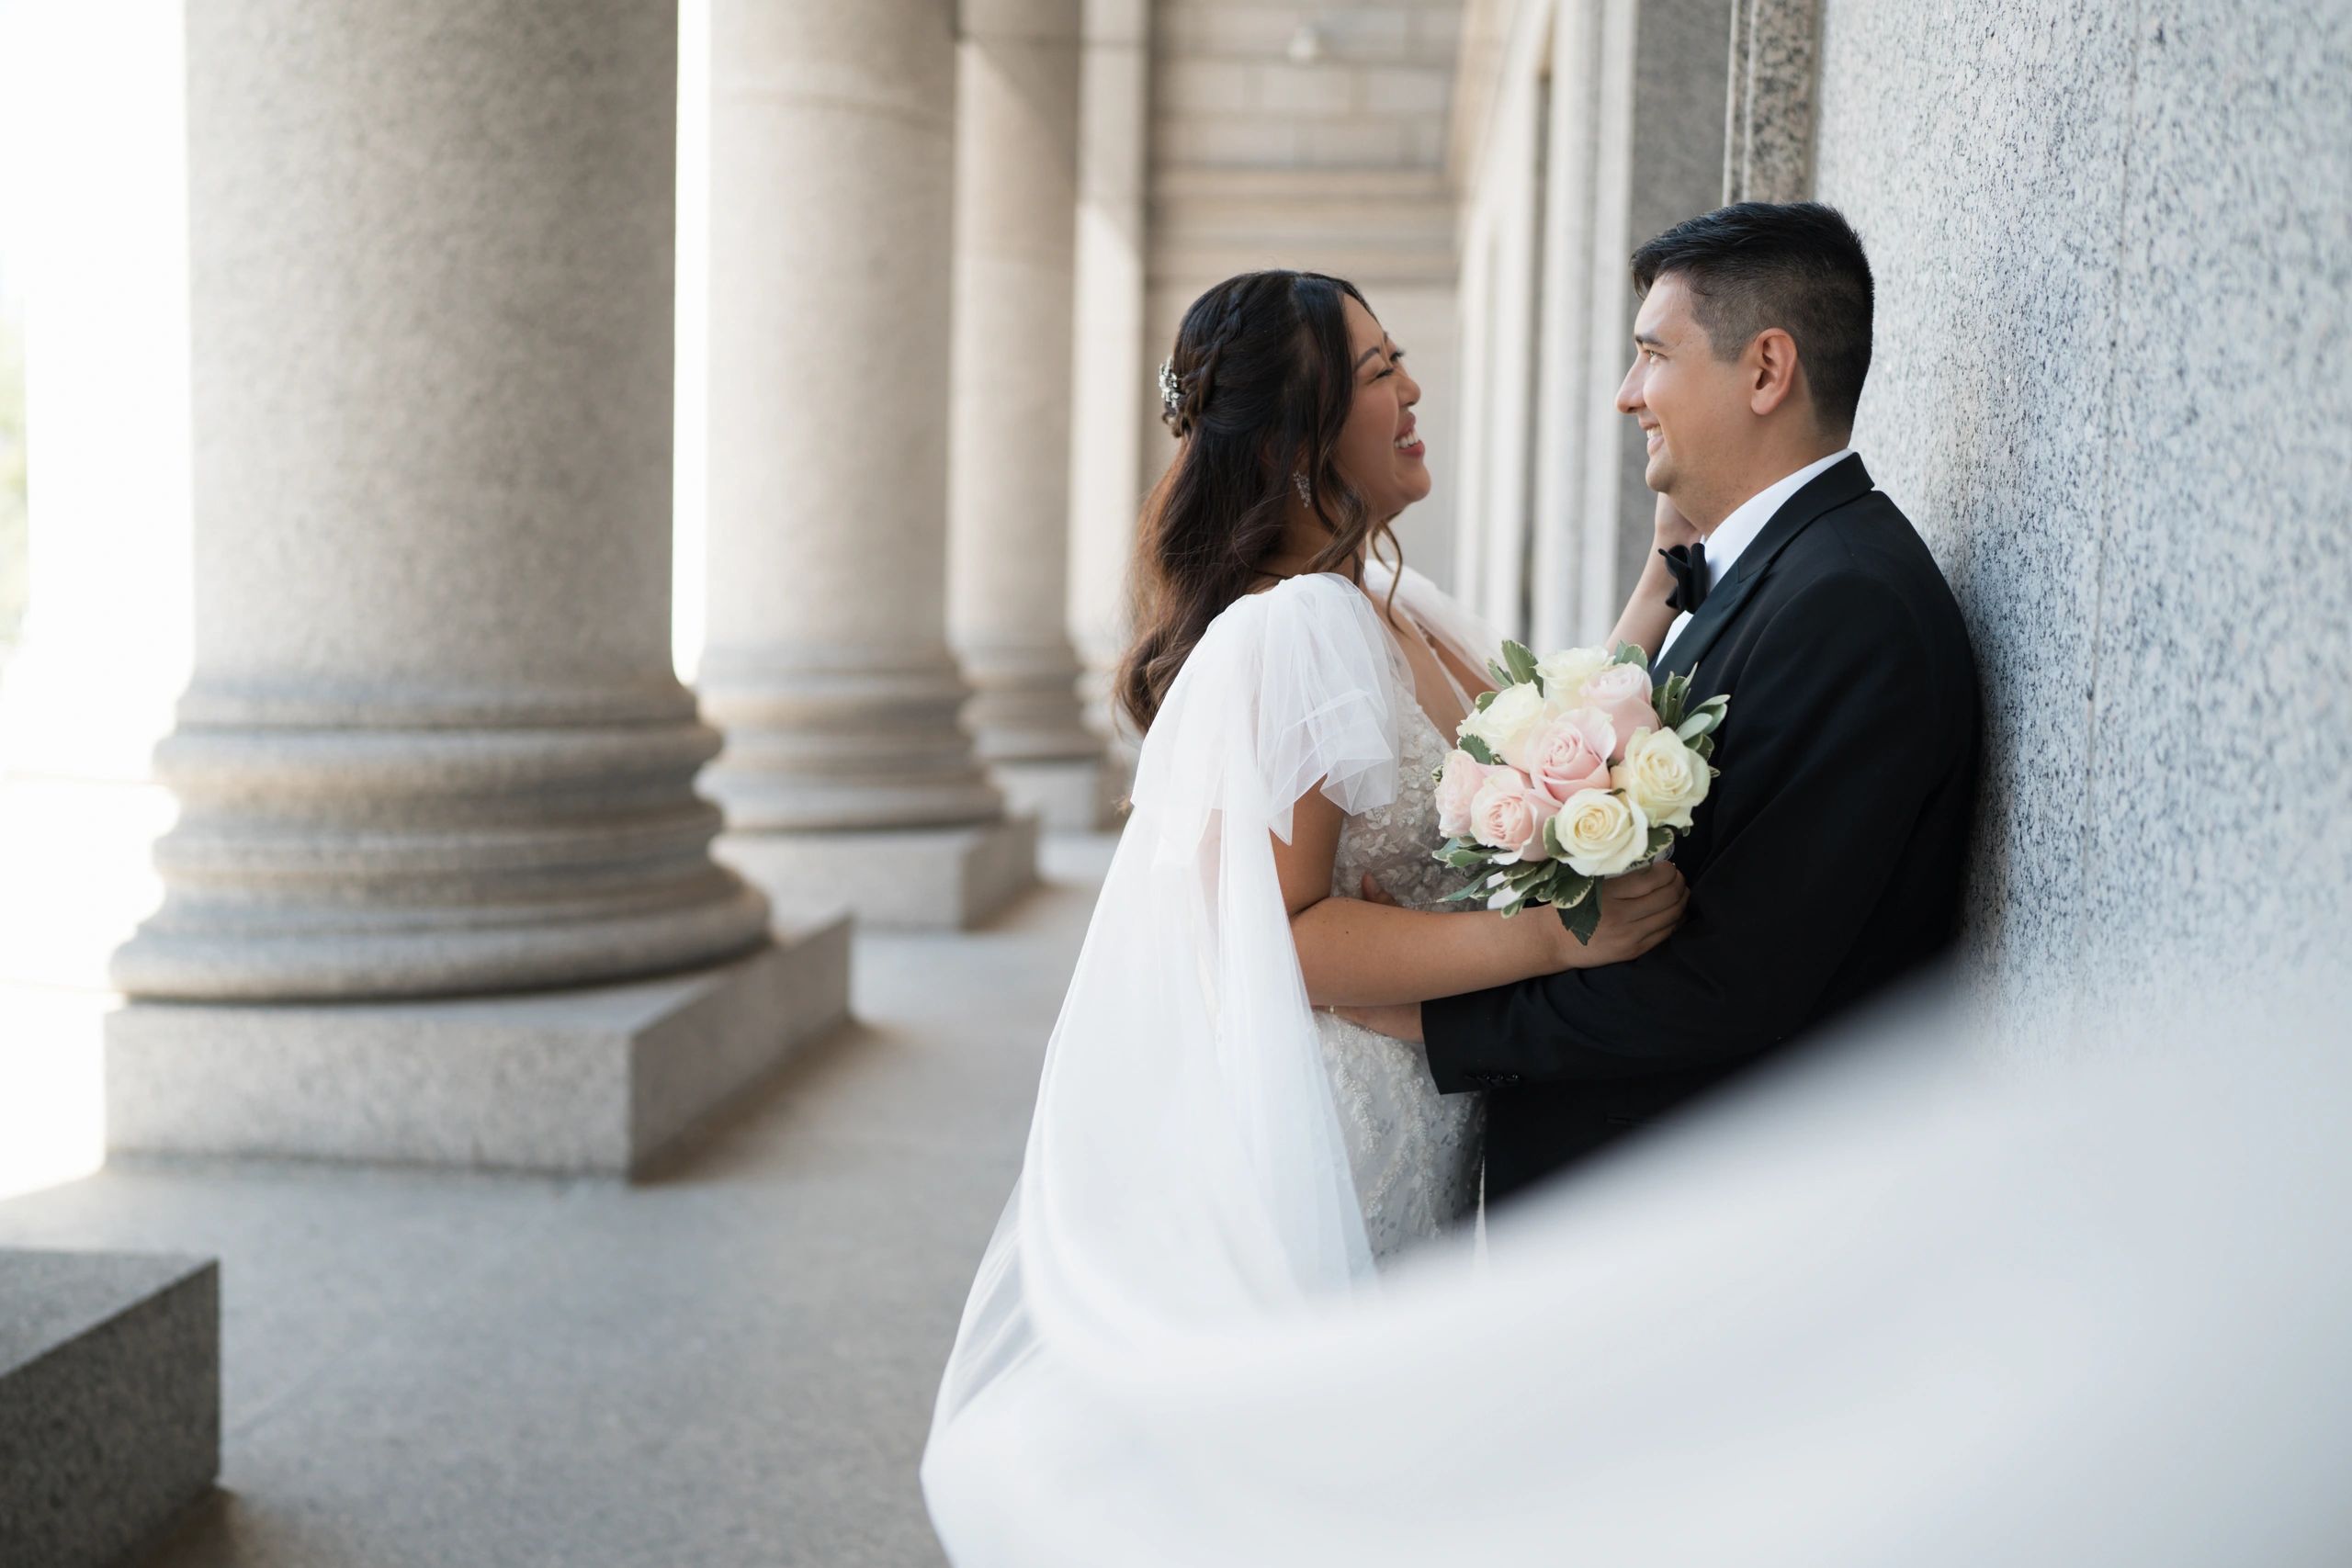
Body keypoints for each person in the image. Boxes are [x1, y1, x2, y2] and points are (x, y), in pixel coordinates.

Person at [923, 268, 1686, 1554]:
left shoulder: (1392, 600)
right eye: (1382, 370)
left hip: (1419, 1095)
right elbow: (1274, 931)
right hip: (1337, 1133)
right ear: (1296, 436)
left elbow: (1538, 752)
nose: (1414, 388)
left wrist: (1663, 593)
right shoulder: (1298, 631)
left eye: (1399, 361)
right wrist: (1562, 929)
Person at [1340, 201, 1981, 1204]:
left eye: (1652, 356)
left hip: (1697, 1214)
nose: (1625, 395)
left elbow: (1731, 983)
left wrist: (1426, 1015)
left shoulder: (1845, 601)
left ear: (1766, 370)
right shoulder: (1765, 571)